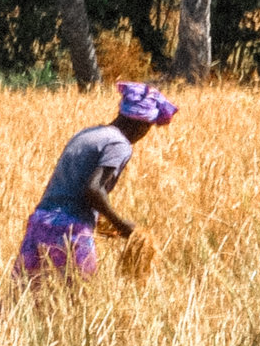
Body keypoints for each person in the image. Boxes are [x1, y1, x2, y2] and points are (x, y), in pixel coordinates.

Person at [16, 81, 177, 285]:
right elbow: (93, 190)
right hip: (69, 231)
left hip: (40, 224)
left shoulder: (90, 134)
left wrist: (100, 222)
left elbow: (71, 188)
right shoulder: (120, 144)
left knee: (27, 294)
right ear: (143, 125)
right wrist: (121, 225)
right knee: (78, 299)